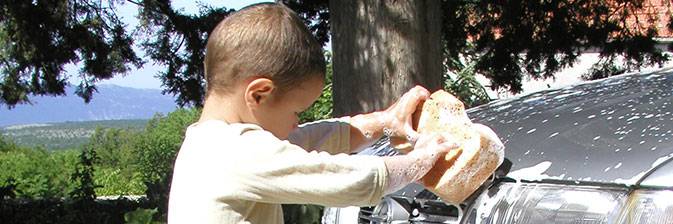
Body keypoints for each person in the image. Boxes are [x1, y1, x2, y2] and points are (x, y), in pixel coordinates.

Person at [167, 3, 457, 223]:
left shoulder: (210, 144)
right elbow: (345, 179)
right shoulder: (234, 153)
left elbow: (309, 141)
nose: (297, 122)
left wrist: (383, 122)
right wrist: (420, 160)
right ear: (258, 94)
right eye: (296, 111)